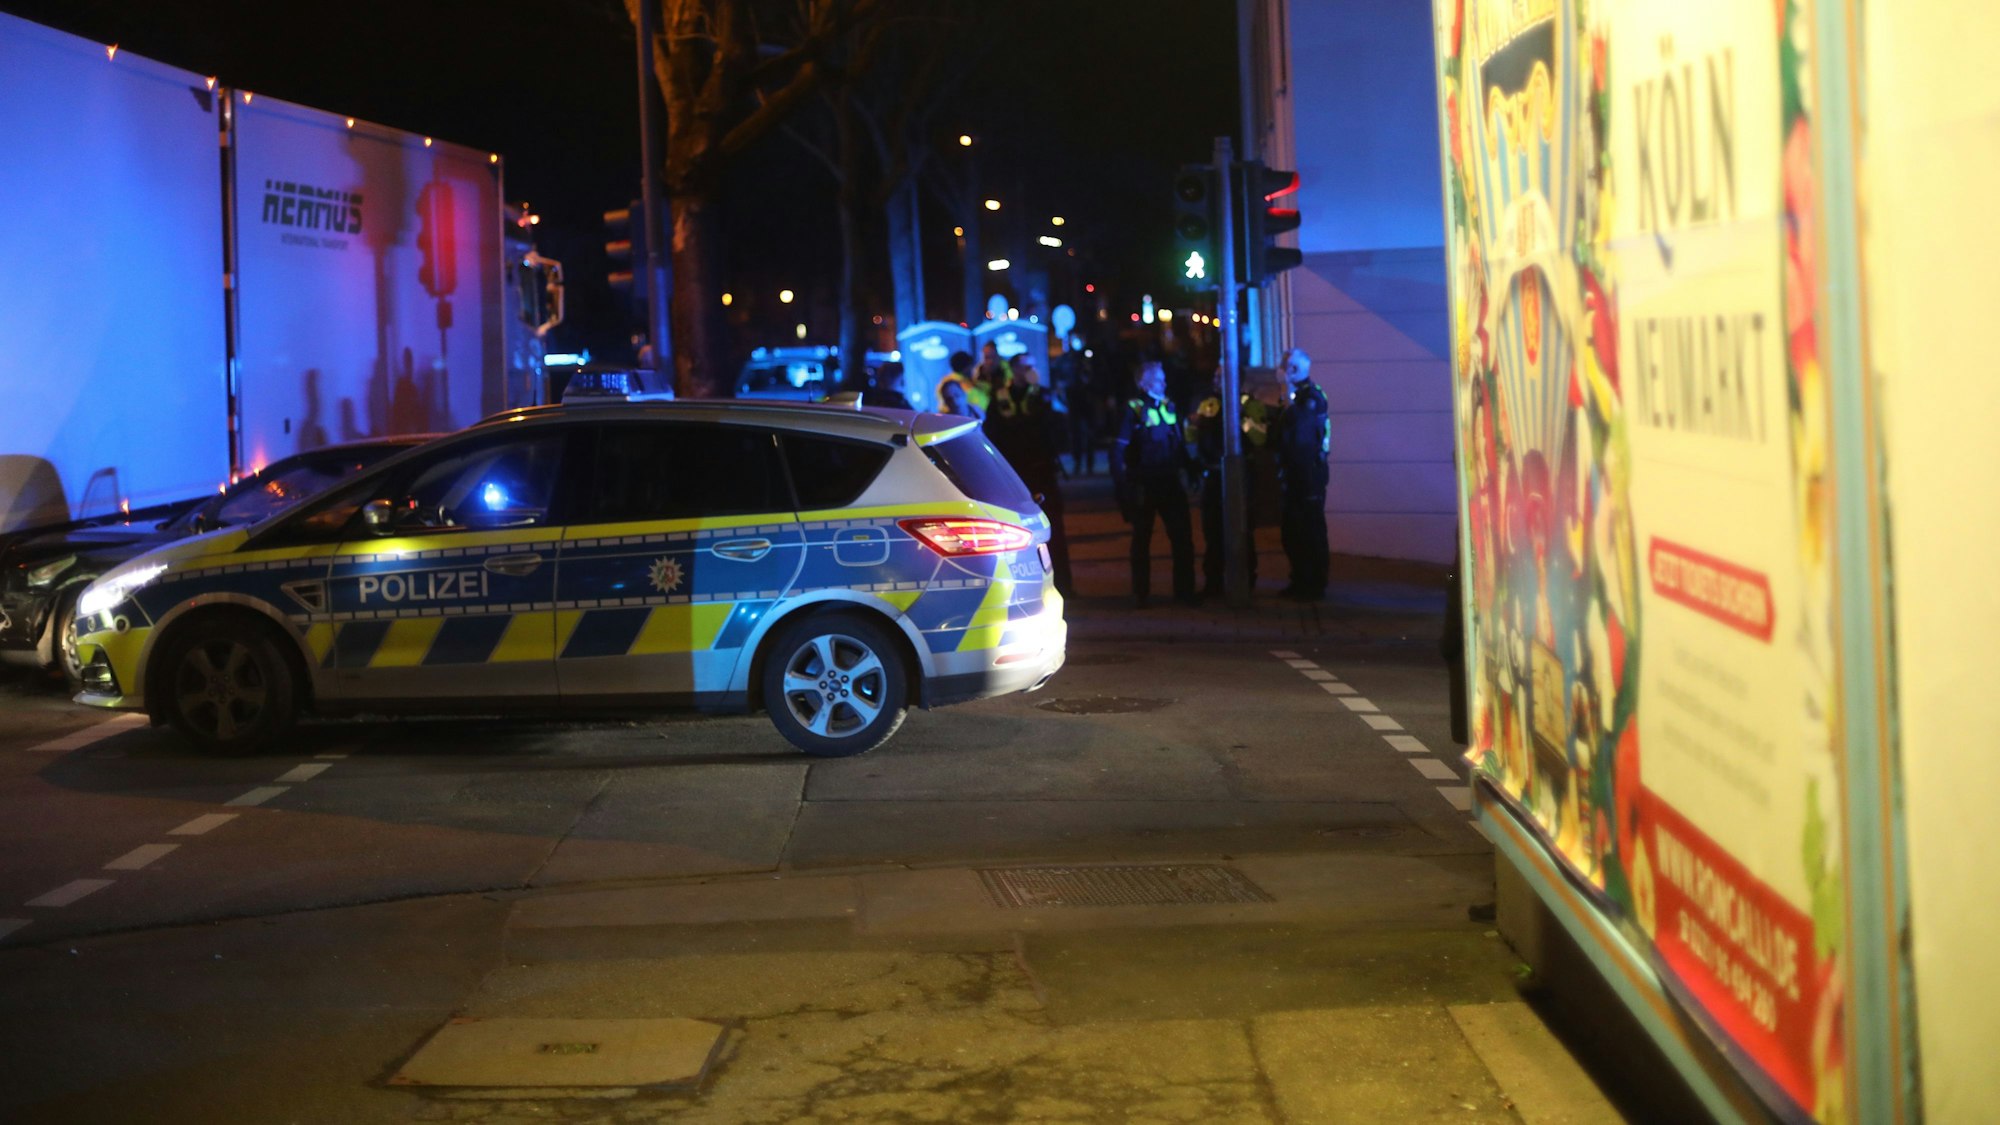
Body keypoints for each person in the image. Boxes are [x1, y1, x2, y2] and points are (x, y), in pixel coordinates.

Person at [985, 355, 1073, 593]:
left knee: (1053, 527)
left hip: (1042, 469)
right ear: (1014, 370)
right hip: (1015, 474)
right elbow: (992, 434)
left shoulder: (1044, 395)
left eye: (1033, 366)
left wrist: (1050, 405)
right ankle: (1023, 587)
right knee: (1016, 531)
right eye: (1025, 367)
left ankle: (1063, 584)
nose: (1030, 370)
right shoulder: (999, 398)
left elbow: (1061, 432)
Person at [1113, 360, 1197, 607]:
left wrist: (1190, 469)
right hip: (1144, 483)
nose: (1164, 382)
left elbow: (1179, 445)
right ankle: (1140, 594)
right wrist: (1122, 485)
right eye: (1159, 379)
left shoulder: (1169, 406)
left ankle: (1185, 592)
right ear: (1143, 382)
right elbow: (1118, 449)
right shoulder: (1133, 410)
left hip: (1170, 481)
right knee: (1142, 540)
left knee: (1182, 537)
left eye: (1163, 378)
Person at [1189, 374, 1268, 598]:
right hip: (1213, 475)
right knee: (1212, 531)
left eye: (1222, 375)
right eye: (1215, 375)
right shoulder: (1208, 404)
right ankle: (1213, 583)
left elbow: (1260, 438)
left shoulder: (1251, 405)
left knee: (1243, 529)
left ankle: (1246, 582)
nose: (1217, 380)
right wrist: (1193, 426)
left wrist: (1242, 419)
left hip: (1241, 476)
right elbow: (1193, 437)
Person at [1273, 347, 1330, 601]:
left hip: (1308, 476)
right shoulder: (1298, 396)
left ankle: (1313, 585)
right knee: (1293, 531)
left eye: (1285, 366)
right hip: (1296, 474)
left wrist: (1286, 392)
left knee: (1309, 531)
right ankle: (1299, 581)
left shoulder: (1310, 398)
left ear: (1293, 370)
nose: (1280, 369)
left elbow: (1299, 436)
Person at [936, 351, 987, 418]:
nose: (974, 370)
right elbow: (980, 403)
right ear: (966, 367)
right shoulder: (961, 384)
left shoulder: (945, 381)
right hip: (963, 421)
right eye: (972, 366)